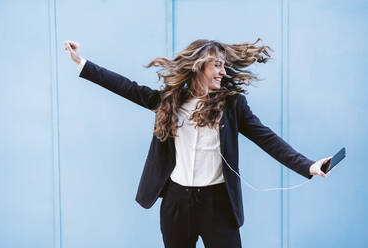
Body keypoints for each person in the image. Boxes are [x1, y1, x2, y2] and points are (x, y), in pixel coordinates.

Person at [64, 39, 332, 248]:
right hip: (177, 202)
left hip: (218, 204)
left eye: (224, 65)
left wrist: (308, 166)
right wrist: (81, 62)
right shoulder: (171, 101)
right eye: (217, 65)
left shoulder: (233, 104)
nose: (222, 71)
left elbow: (267, 138)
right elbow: (127, 87)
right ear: (199, 66)